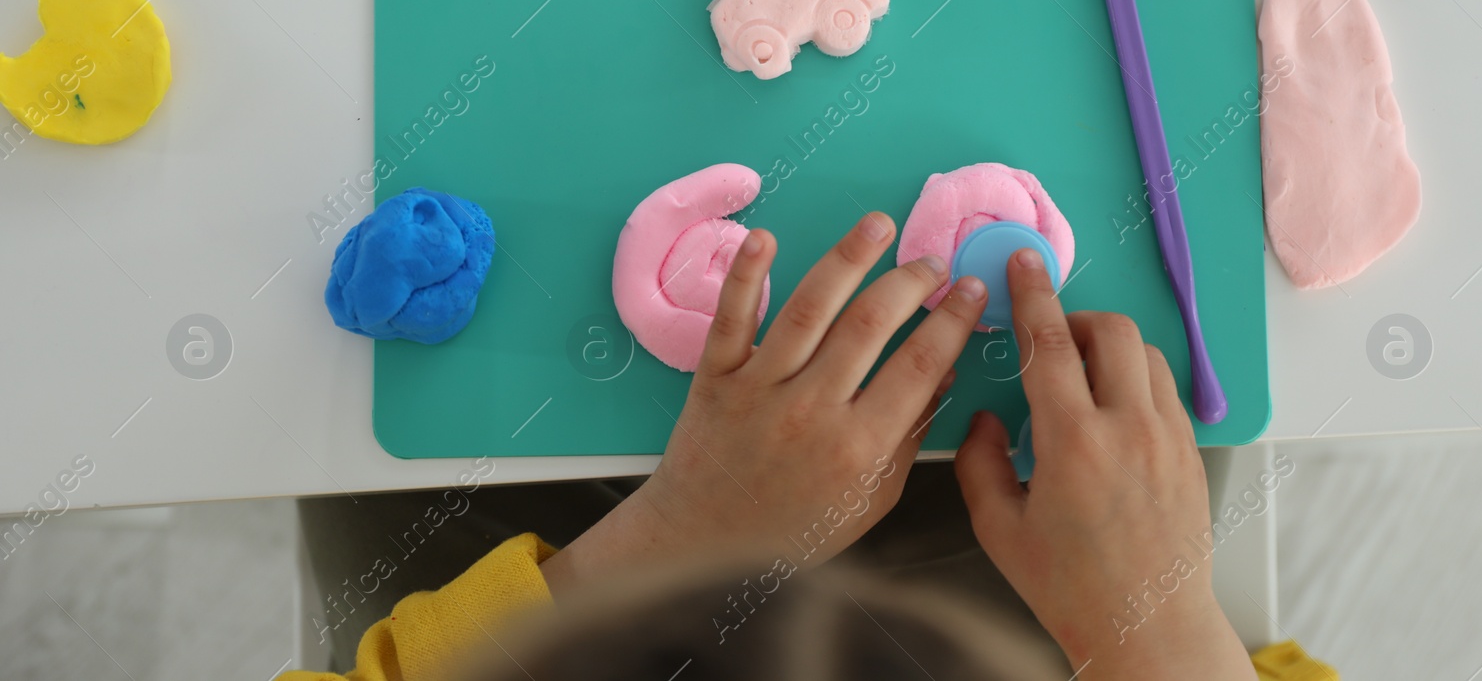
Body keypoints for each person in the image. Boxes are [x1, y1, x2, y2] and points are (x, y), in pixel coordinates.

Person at [288, 213, 1257, 680]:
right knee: (1132, 429)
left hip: (537, 643)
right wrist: (1157, 626)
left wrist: (678, 530)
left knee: (376, 456)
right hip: (1059, 632)